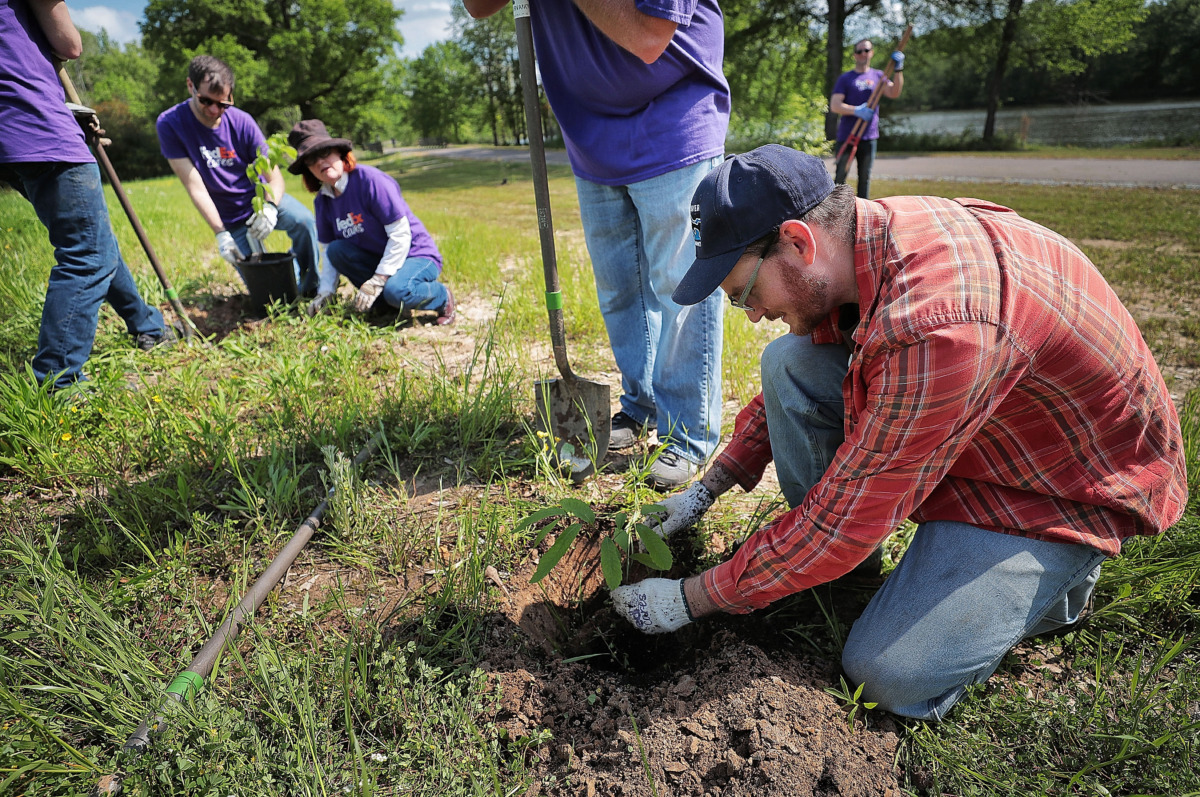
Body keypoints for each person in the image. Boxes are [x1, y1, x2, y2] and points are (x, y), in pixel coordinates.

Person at [610, 144, 1187, 721]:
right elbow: (802, 387)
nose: (751, 313)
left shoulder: (937, 325)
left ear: (798, 241)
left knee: (887, 674)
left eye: (744, 294)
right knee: (788, 364)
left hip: (1060, 485)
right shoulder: (860, 243)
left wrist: (692, 599)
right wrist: (707, 488)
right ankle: (839, 578)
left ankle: (1057, 588)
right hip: (989, 420)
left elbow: (846, 518)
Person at [462, 0, 729, 488]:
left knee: (680, 283)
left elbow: (650, 38)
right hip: (590, 134)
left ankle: (688, 434)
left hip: (672, 119)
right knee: (618, 286)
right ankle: (642, 405)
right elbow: (477, 7)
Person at [0, 0, 175, 391]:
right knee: (87, 254)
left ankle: (147, 325)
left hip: (10, 133)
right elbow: (68, 43)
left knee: (94, 242)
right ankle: (58, 384)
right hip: (36, 121)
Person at [156, 55, 319, 296]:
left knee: (304, 222)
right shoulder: (170, 123)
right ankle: (291, 282)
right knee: (271, 293)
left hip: (260, 201)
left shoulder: (242, 122)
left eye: (223, 104)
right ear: (190, 86)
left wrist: (271, 208)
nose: (215, 110)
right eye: (206, 101)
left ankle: (311, 286)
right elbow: (195, 187)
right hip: (229, 218)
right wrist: (221, 233)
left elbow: (274, 177)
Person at [288, 119, 455, 324]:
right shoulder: (323, 202)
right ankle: (388, 307)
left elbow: (400, 234)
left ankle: (442, 297)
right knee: (336, 250)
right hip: (377, 259)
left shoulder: (371, 181)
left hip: (415, 254)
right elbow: (328, 252)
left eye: (324, 153)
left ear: (339, 153)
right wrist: (325, 294)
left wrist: (378, 280)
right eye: (311, 160)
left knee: (398, 290)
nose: (320, 162)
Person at [830, 38, 904, 199]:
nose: (863, 54)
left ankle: (864, 214)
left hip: (869, 136)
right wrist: (856, 110)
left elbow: (894, 92)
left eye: (866, 50)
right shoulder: (846, 78)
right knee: (840, 178)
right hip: (847, 136)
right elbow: (835, 105)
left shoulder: (879, 75)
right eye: (859, 51)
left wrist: (898, 69)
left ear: (871, 53)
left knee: (864, 179)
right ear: (854, 55)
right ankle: (834, 213)